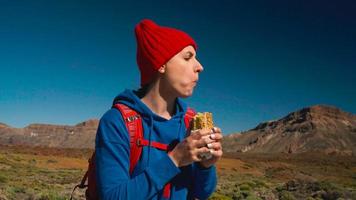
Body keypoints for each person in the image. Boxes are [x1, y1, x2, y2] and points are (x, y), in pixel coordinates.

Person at [95, 19, 223, 200]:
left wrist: (206, 166)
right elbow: (112, 196)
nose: (199, 67)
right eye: (188, 57)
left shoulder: (189, 121)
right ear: (161, 64)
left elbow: (201, 193)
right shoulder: (118, 122)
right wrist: (175, 159)